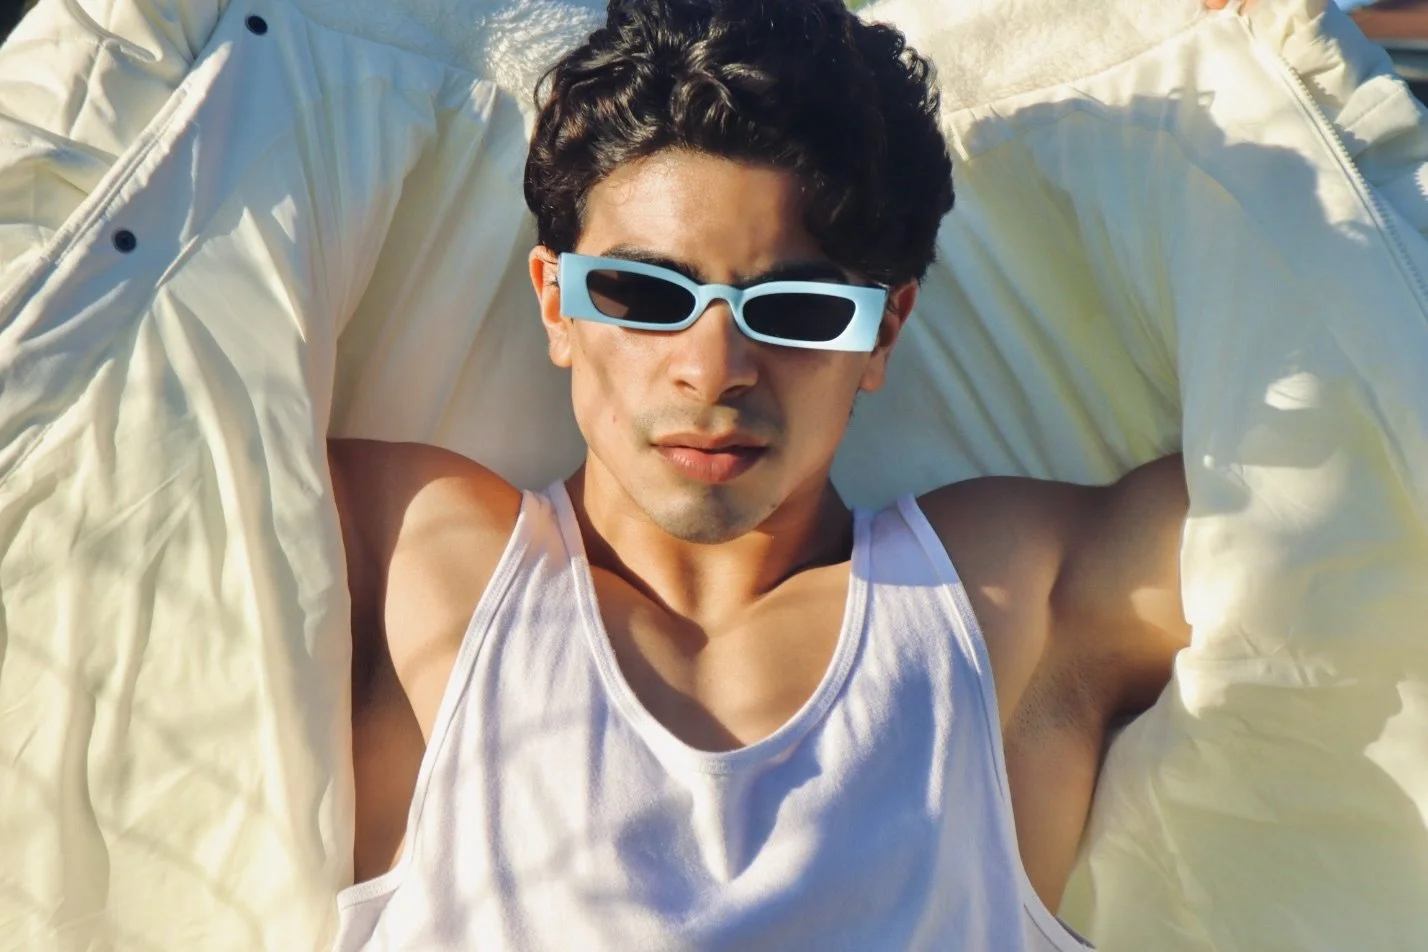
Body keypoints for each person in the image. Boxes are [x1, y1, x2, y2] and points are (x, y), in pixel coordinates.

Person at [328, 0, 1188, 947]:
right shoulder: (413, 552)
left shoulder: (1003, 603)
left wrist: (1212, 48)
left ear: (883, 331)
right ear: (555, 304)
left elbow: (1353, 491)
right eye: (644, 291)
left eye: (799, 307)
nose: (715, 366)